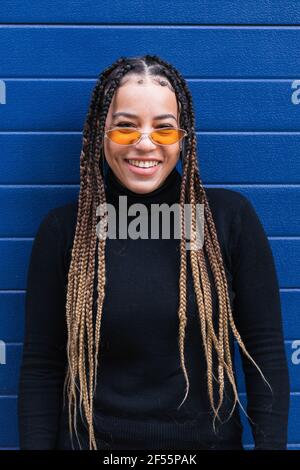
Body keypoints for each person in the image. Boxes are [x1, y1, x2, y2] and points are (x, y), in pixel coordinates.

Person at [17, 55, 290, 450]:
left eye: (163, 130)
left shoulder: (229, 220)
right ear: (101, 133)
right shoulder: (65, 230)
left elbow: (265, 357)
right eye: (126, 127)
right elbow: (41, 368)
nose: (145, 144)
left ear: (184, 137)